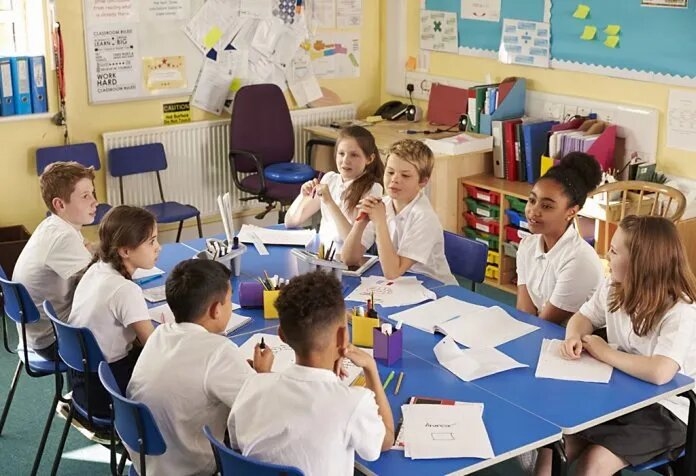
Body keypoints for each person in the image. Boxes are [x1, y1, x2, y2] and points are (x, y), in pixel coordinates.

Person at [535, 215, 696, 476]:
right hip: (620, 395)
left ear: (641, 263)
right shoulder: (614, 286)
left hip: (668, 410)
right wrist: (573, 336)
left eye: (614, 250)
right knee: (553, 449)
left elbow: (660, 372)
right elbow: (583, 317)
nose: (607, 255)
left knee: (593, 465)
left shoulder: (681, 310)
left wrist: (605, 352)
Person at [228, 271, 394, 475]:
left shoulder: (253, 385)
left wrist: (264, 377)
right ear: (342, 337)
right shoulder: (353, 404)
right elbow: (386, 441)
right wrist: (370, 368)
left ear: (282, 335)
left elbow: (235, 443)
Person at [127, 259, 273, 475]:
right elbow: (261, 409)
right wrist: (262, 375)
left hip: (144, 458)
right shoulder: (218, 351)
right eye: (229, 299)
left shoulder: (160, 333)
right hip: (190, 467)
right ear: (215, 309)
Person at [67, 205, 157, 418]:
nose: (158, 247)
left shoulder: (96, 268)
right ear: (125, 251)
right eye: (151, 241)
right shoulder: (125, 290)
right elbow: (155, 348)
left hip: (83, 387)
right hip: (107, 395)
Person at [12, 161, 97, 359]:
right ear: (60, 204)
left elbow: (89, 251)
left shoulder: (53, 225)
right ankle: (90, 388)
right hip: (55, 341)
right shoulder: (63, 237)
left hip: (37, 334)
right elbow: (100, 281)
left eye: (92, 193)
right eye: (85, 196)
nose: (94, 201)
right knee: (124, 329)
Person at [342, 139, 456, 284]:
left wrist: (380, 222)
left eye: (405, 175)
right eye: (390, 172)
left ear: (423, 182)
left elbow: (392, 272)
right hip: (403, 284)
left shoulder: (424, 217)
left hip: (436, 288)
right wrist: (361, 222)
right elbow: (348, 259)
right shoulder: (384, 204)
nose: (394, 180)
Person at [516, 152, 604, 324]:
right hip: (541, 332)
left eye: (547, 206)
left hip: (575, 343)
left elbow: (547, 324)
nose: (534, 211)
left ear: (571, 211)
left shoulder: (579, 260)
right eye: (532, 200)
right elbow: (524, 311)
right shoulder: (527, 245)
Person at [284, 125, 384, 252]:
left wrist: (329, 202)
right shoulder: (330, 179)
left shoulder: (372, 189)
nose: (345, 161)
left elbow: (355, 247)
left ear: (369, 159)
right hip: (322, 256)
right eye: (341, 153)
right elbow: (290, 222)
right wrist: (303, 196)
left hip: (348, 262)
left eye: (354, 155)